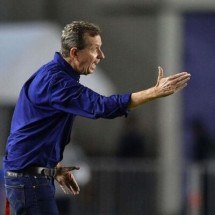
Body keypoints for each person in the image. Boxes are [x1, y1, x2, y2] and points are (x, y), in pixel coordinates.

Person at [3, 20, 191, 215]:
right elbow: (103, 107)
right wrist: (154, 92)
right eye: (95, 49)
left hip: (30, 178)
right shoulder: (57, 82)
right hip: (29, 182)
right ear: (75, 52)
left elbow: (31, 129)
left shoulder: (51, 75)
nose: (101, 55)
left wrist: (52, 167)